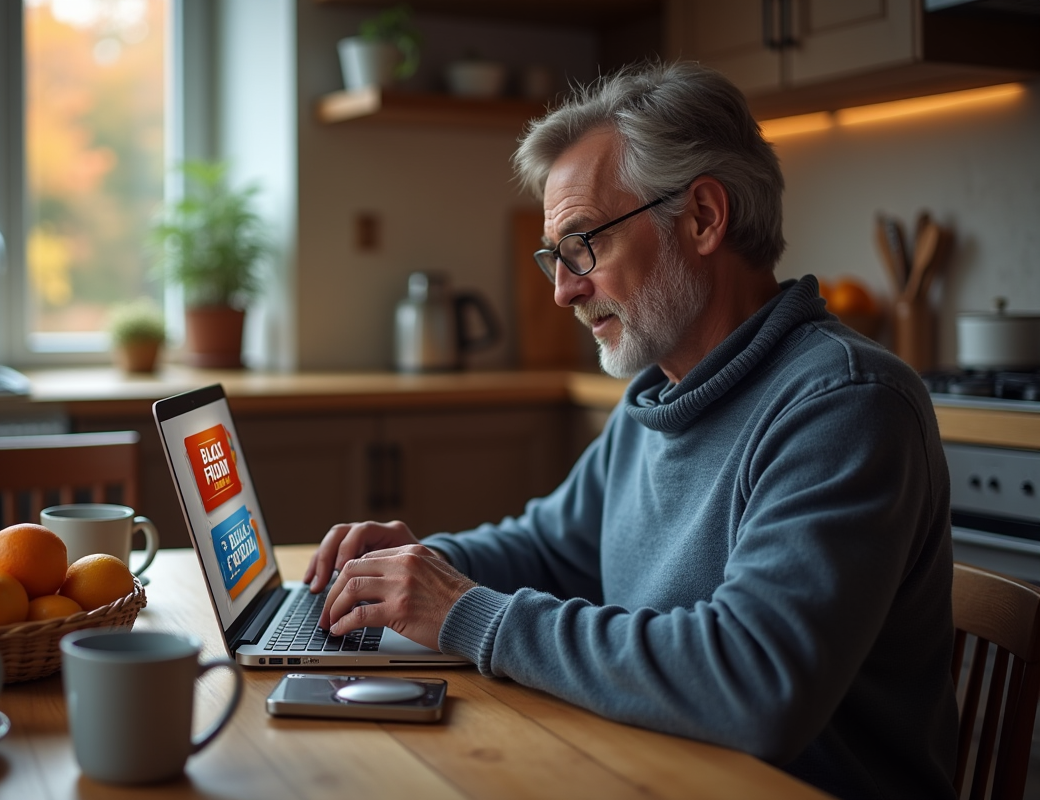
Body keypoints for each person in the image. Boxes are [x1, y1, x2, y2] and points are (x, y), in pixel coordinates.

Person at [305, 61, 956, 800]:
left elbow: (754, 684)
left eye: (584, 244)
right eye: (555, 255)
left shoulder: (844, 403)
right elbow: (550, 548)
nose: (561, 290)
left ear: (704, 217)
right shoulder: (663, 393)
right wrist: (414, 568)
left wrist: (461, 611)